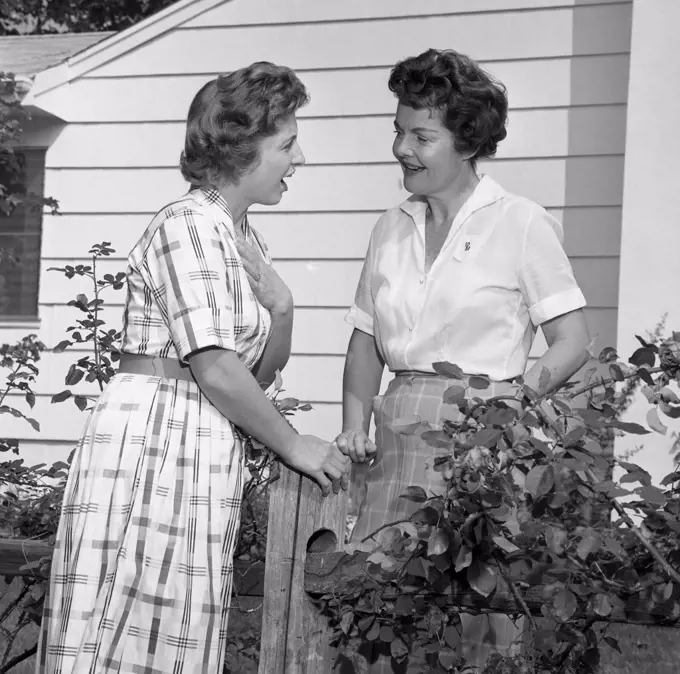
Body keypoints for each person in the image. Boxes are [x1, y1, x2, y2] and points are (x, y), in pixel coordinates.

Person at [37, 62, 351, 674]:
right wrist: (295, 446)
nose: (300, 159)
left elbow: (254, 377)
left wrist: (283, 308)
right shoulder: (187, 225)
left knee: (175, 622)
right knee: (126, 620)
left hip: (201, 437)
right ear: (242, 150)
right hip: (153, 438)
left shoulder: (244, 238)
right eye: (287, 144)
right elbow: (214, 367)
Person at [335, 48, 590, 671]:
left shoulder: (520, 223)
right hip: (395, 441)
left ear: (467, 140)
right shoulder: (388, 228)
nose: (402, 148)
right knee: (382, 609)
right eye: (398, 131)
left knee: (478, 622)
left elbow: (572, 341)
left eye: (421, 135)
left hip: (481, 444)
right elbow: (366, 340)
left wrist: (510, 411)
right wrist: (353, 424)